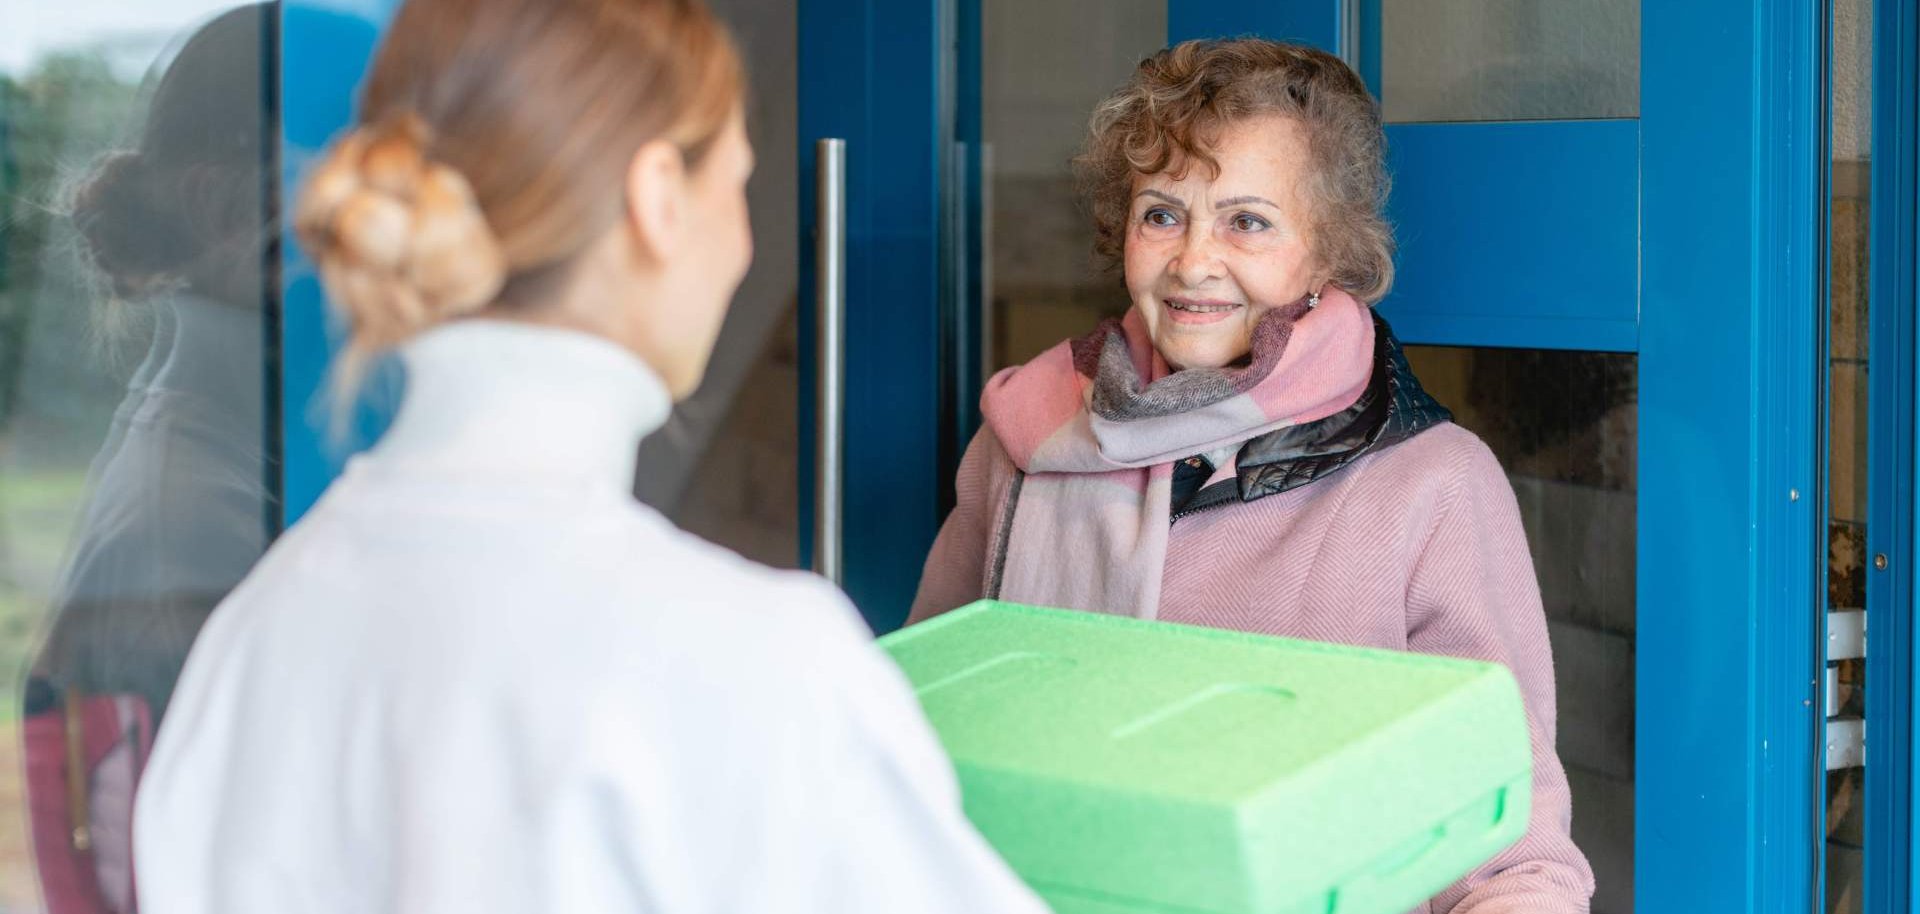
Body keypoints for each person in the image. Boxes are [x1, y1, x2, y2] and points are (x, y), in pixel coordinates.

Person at [132, 1, 1048, 912]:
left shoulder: (259, 632)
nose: (744, 246)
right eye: (737, 183)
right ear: (657, 201)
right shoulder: (749, 666)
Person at [909, 39, 1595, 913]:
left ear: (1326, 253)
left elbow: (1511, 855)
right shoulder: (1024, 447)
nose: (1194, 261)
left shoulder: (1434, 488)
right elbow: (924, 748)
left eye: (1248, 221)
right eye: (1162, 214)